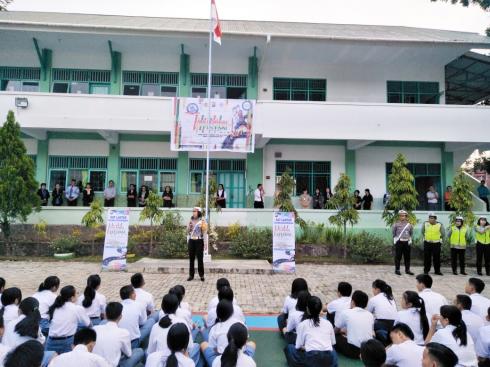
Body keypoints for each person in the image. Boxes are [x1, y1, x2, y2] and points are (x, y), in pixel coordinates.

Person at [147, 293, 202, 367]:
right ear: (177, 307)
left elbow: (150, 351)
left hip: (158, 356)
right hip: (182, 355)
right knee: (197, 346)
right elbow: (189, 347)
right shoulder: (188, 363)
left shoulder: (152, 358)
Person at [284, 296, 337, 367]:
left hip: (311, 358)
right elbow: (333, 343)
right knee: (333, 351)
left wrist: (307, 347)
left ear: (307, 309)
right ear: (320, 309)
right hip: (328, 359)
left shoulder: (303, 324)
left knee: (290, 348)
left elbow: (298, 346)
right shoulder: (328, 323)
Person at [201, 300, 252, 367]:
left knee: (203, 344)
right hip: (242, 356)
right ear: (244, 342)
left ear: (228, 337)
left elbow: (213, 349)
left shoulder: (217, 361)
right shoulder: (249, 362)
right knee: (252, 344)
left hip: (219, 356)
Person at [93, 302, 145, 367]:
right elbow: (128, 354)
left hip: (95, 364)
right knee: (139, 351)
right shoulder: (123, 333)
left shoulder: (95, 329)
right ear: (120, 316)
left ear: (105, 315)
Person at [45, 285, 90, 354]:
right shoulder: (77, 308)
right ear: (72, 298)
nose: (77, 295)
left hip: (50, 341)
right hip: (67, 342)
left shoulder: (55, 307)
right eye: (76, 293)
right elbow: (88, 324)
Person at [335, 290, 374, 359]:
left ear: (352, 302)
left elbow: (335, 330)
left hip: (353, 351)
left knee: (334, 336)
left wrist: (341, 331)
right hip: (368, 350)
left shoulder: (346, 312)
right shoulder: (370, 315)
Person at [118, 285, 155, 349]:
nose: (135, 295)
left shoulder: (118, 306)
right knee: (151, 321)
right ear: (131, 295)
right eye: (134, 293)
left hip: (120, 340)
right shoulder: (139, 305)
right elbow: (142, 322)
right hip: (133, 341)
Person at [367, 279, 397, 345]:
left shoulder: (374, 299)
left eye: (373, 289)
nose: (372, 291)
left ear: (377, 289)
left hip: (381, 325)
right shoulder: (391, 298)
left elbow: (368, 314)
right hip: (394, 324)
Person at [187, 207, 207, 282]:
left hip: (199, 241)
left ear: (198, 212)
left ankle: (201, 275)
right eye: (193, 211)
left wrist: (205, 243)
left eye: (195, 211)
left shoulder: (202, 220)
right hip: (191, 240)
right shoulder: (190, 220)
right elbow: (187, 231)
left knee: (200, 259)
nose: (193, 212)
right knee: (191, 259)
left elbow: (204, 232)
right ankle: (191, 275)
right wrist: (189, 226)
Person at [392, 210, 414, 275]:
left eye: (403, 216)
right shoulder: (395, 224)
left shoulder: (409, 225)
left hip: (406, 242)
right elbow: (394, 233)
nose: (402, 217)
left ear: (406, 216)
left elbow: (411, 233)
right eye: (401, 216)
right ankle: (397, 270)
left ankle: (407, 270)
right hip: (399, 242)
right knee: (398, 256)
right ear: (399, 216)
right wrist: (396, 239)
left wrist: (409, 239)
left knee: (407, 257)